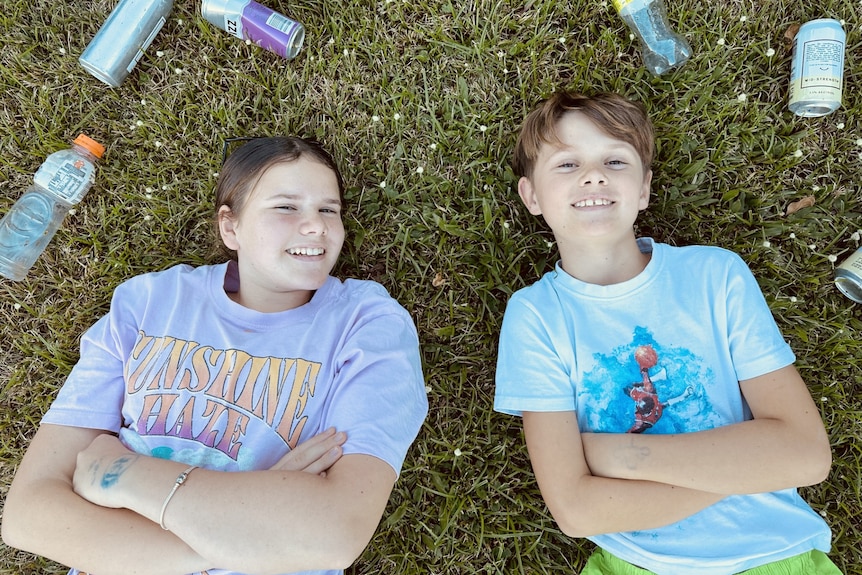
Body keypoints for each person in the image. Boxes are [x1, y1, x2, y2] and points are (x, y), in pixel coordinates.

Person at [2, 136, 429, 575]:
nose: (317, 226)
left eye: (328, 210)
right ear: (231, 227)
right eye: (286, 207)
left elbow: (334, 533)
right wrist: (246, 534)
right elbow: (29, 515)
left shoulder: (368, 324)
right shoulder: (150, 301)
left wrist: (122, 474)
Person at [493, 91, 841, 574]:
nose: (593, 176)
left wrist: (614, 456)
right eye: (567, 165)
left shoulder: (714, 276)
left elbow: (805, 455)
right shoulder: (535, 315)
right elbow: (576, 510)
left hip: (775, 554)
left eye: (615, 160)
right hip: (637, 565)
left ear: (643, 189)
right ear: (531, 195)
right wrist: (749, 467)